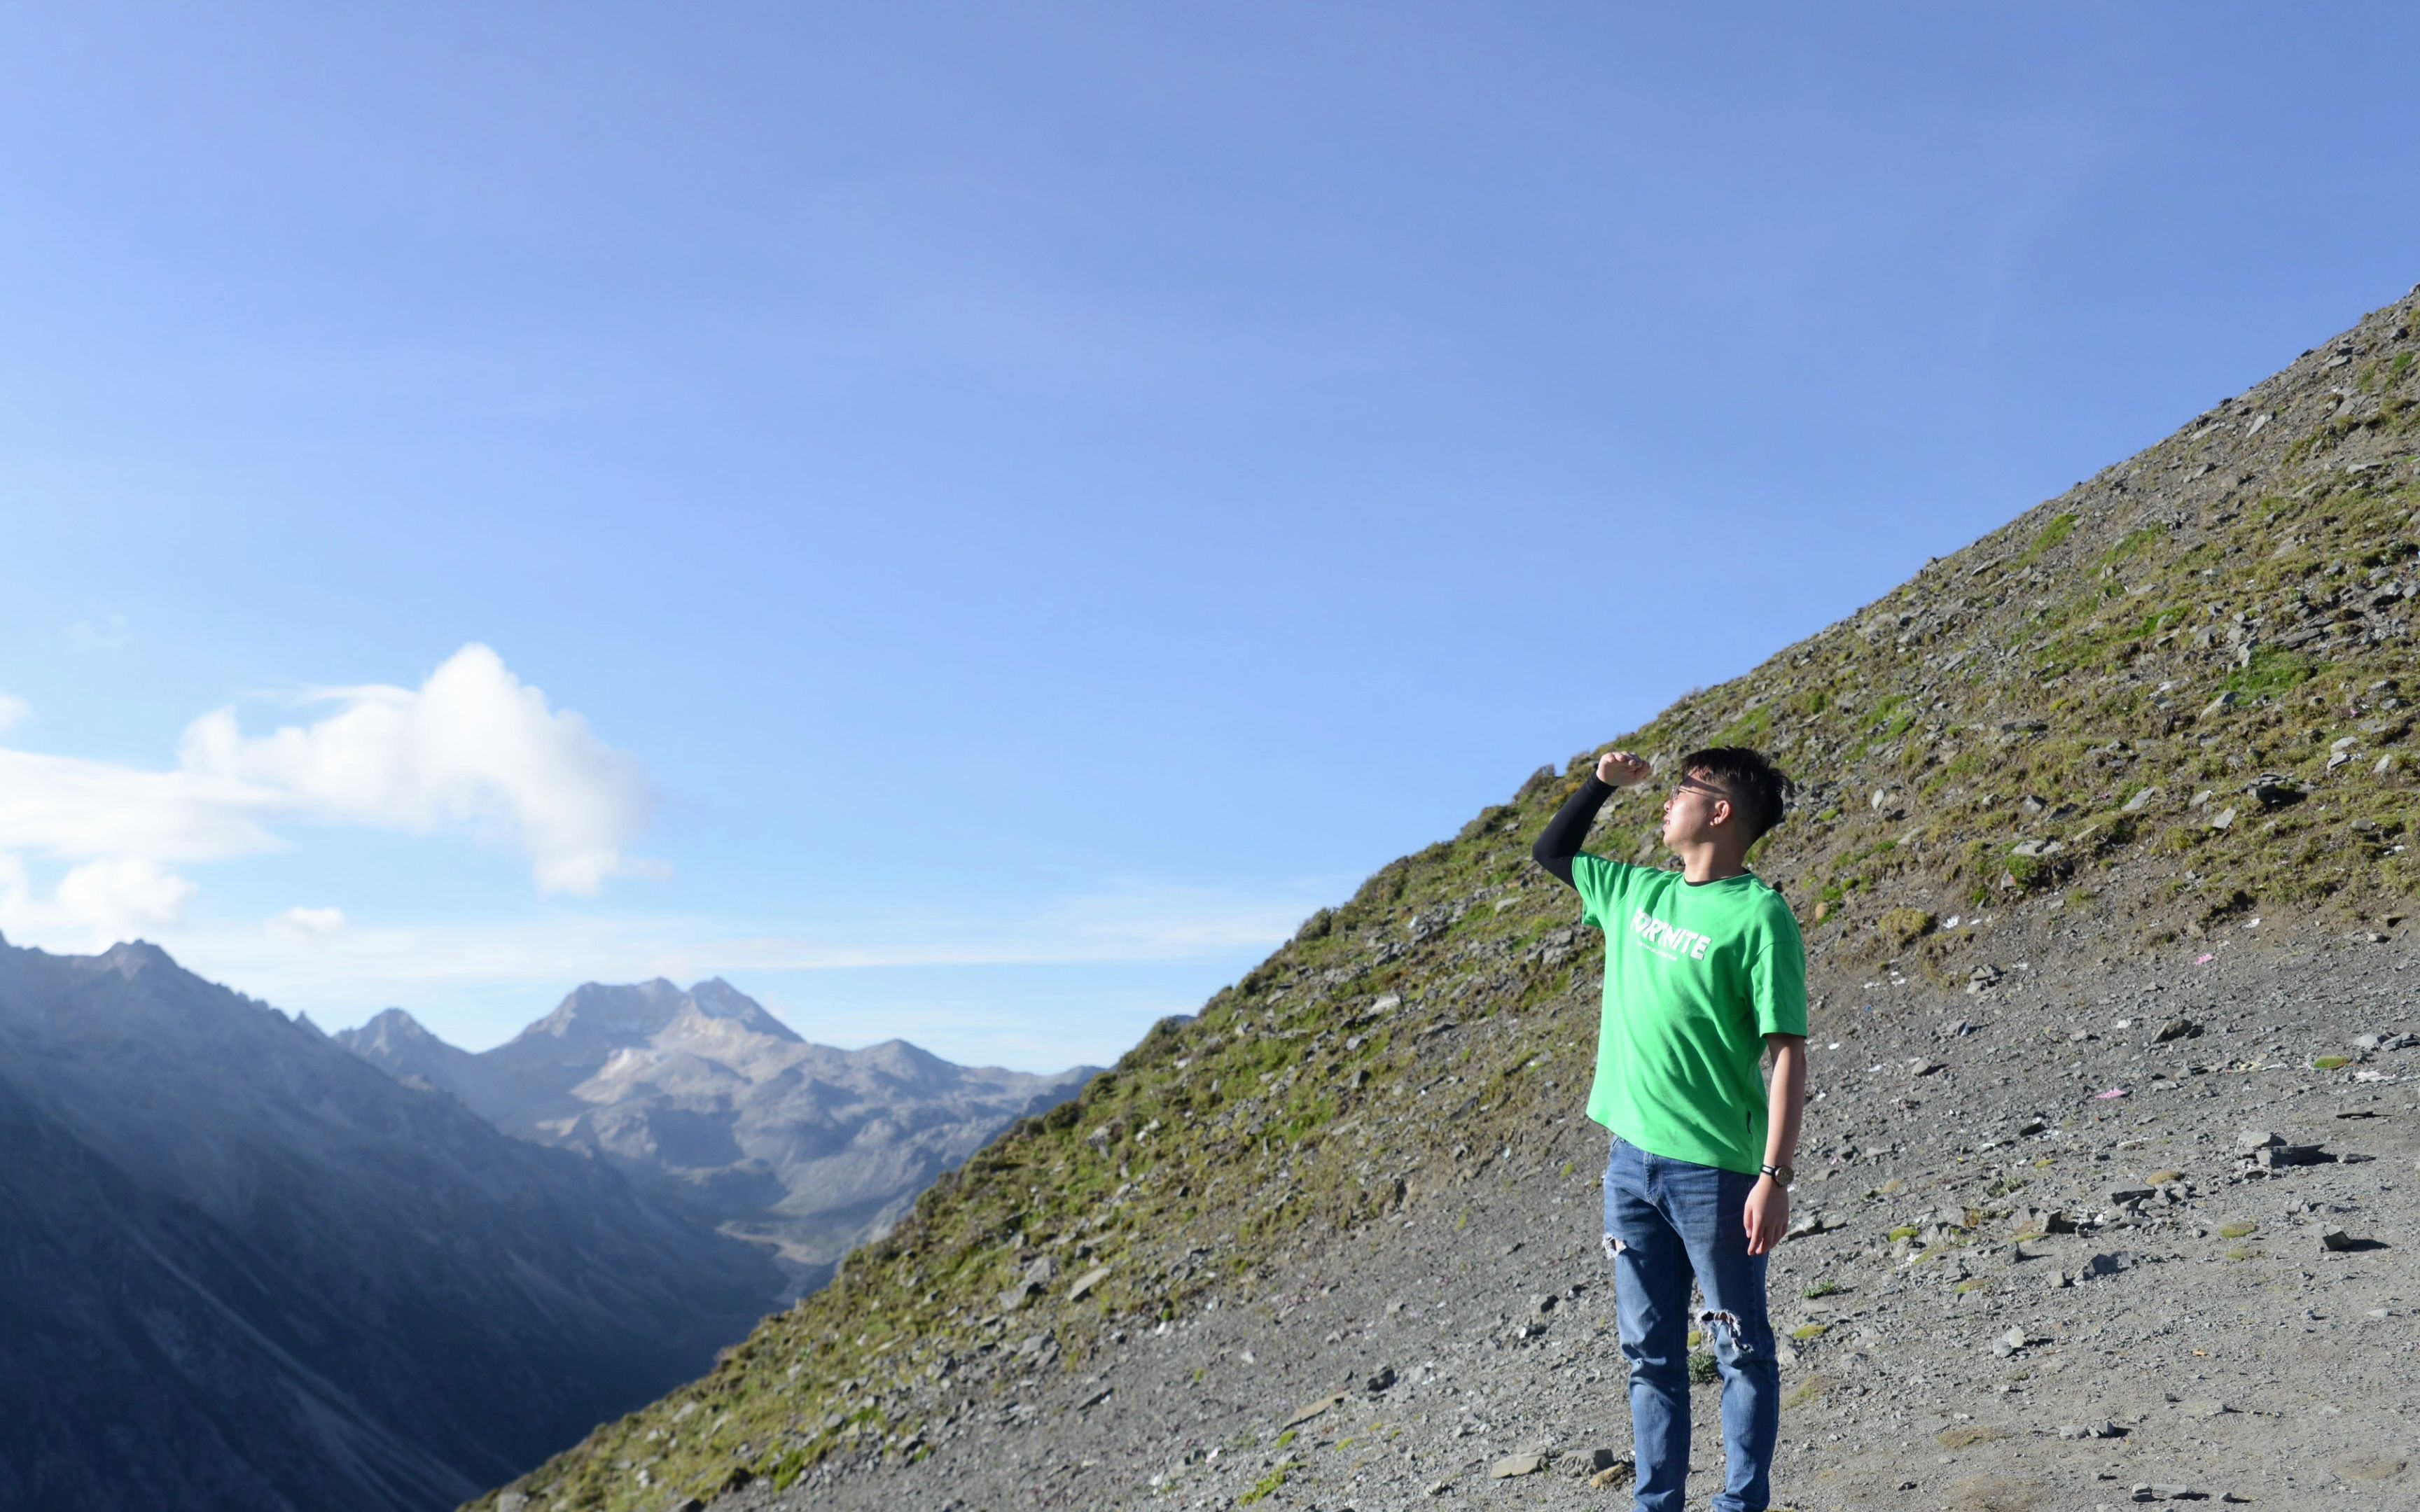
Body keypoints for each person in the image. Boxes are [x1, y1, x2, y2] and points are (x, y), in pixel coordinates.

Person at [1532, 746, 1808, 1512]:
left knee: (1740, 1350)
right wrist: (1598, 785)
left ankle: (1739, 1504)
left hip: (1717, 1172)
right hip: (1630, 1166)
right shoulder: (1633, 891)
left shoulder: (1760, 917)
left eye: (1683, 790)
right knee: (1649, 1357)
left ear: (1720, 811)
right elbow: (1552, 850)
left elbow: (1787, 1053)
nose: (1667, 802)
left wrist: (1774, 1178)